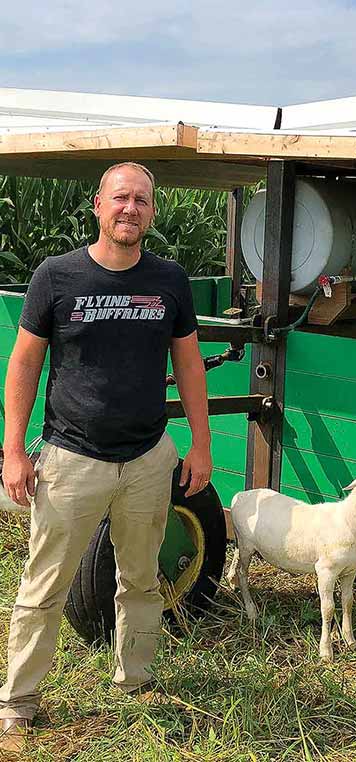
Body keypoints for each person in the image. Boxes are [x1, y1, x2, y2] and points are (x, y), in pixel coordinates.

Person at [0, 162, 213, 750]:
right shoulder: (57, 276)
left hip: (148, 458)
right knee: (44, 587)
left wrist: (200, 444)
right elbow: (24, 363)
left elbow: (189, 363)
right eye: (121, 197)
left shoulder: (169, 279)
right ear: (98, 205)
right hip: (72, 459)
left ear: (152, 211)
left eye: (142, 200)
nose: (131, 209)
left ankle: (134, 679)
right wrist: (14, 449)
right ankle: (18, 703)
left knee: (142, 582)